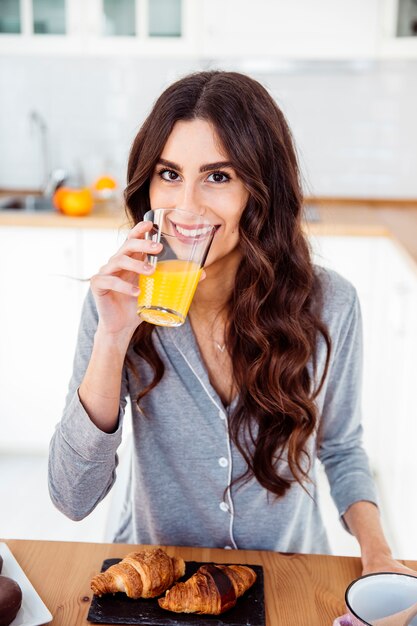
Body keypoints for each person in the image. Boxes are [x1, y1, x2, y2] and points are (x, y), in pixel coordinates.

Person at [49, 71, 413, 575]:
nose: (186, 207)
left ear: (259, 192)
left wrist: (376, 551)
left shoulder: (331, 305)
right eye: (169, 174)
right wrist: (113, 338)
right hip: (156, 577)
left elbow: (343, 446)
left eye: (218, 176)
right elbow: (71, 497)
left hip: (288, 571)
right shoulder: (118, 301)